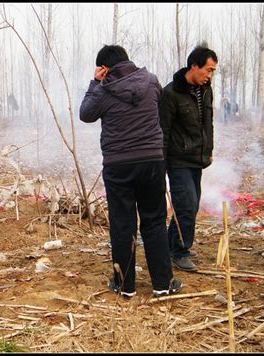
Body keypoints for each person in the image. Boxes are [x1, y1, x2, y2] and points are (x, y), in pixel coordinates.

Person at [80, 45, 181, 298]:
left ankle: (125, 286)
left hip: (118, 165)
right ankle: (162, 284)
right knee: (155, 221)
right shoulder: (152, 81)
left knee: (123, 224)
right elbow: (156, 109)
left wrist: (95, 82)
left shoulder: (103, 90)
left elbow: (85, 114)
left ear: (104, 68)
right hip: (151, 160)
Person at [159, 46, 218, 271]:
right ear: (194, 66)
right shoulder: (171, 93)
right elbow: (162, 130)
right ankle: (180, 251)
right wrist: (161, 164)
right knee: (186, 205)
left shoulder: (206, 91)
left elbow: (208, 122)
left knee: (191, 207)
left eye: (213, 71)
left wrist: (208, 148)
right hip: (178, 159)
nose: (210, 75)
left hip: (197, 157)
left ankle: (170, 243)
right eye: (208, 70)